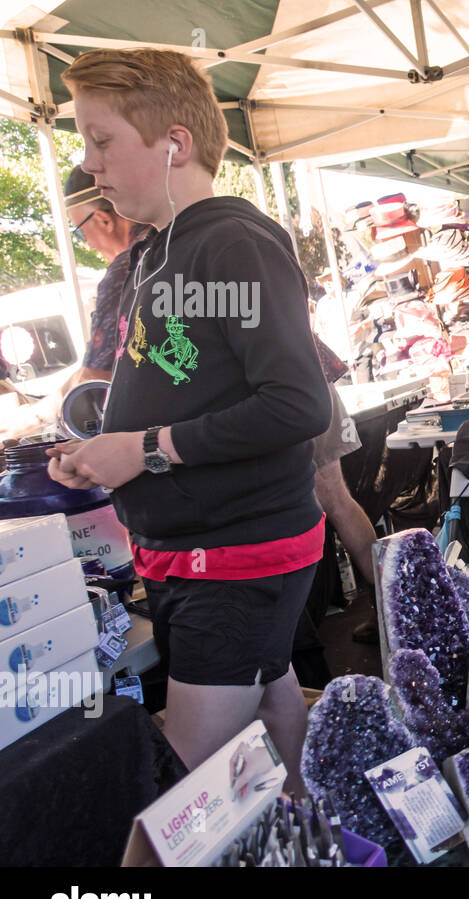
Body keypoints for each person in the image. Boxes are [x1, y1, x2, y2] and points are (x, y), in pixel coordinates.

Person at [48, 49, 332, 794]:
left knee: (184, 777)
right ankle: (319, 837)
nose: (88, 165)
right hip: (193, 550)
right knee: (277, 722)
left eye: (101, 140)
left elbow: (297, 403)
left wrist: (143, 451)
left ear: (175, 143)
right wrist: (100, 449)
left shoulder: (231, 241)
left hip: (237, 554)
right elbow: (189, 382)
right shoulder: (157, 253)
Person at [63, 165, 156, 392]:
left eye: (81, 232)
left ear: (104, 220)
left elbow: (95, 377)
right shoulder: (182, 238)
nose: (89, 244)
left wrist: (34, 415)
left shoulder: (127, 270)